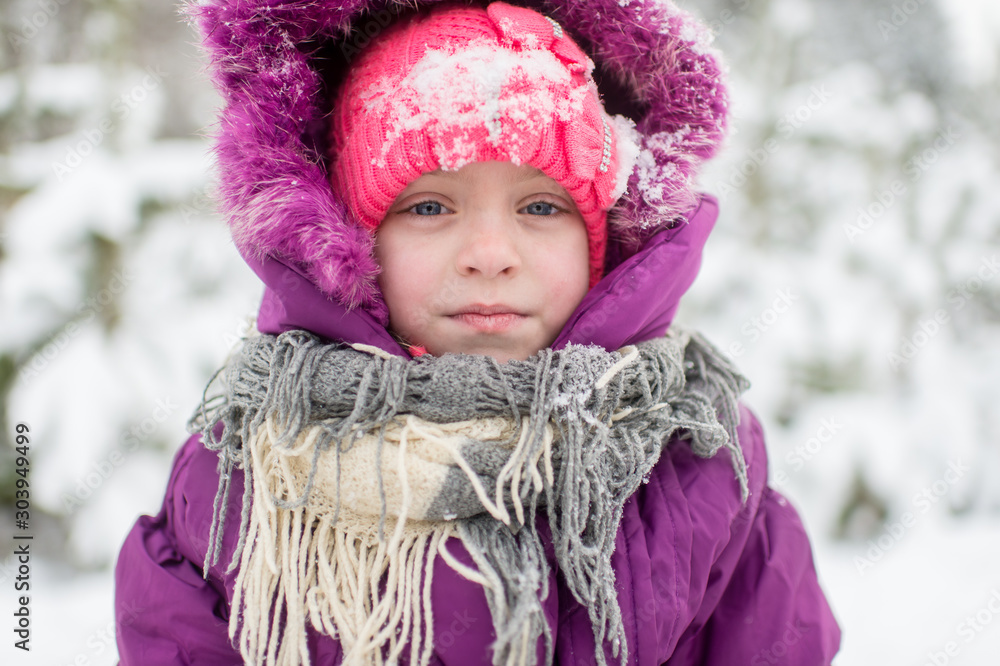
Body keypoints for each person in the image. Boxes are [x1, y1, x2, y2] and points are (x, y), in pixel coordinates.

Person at [114, 0, 842, 664]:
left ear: (606, 239)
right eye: (430, 207)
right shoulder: (247, 473)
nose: (490, 255)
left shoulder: (697, 464)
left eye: (542, 208)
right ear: (342, 239)